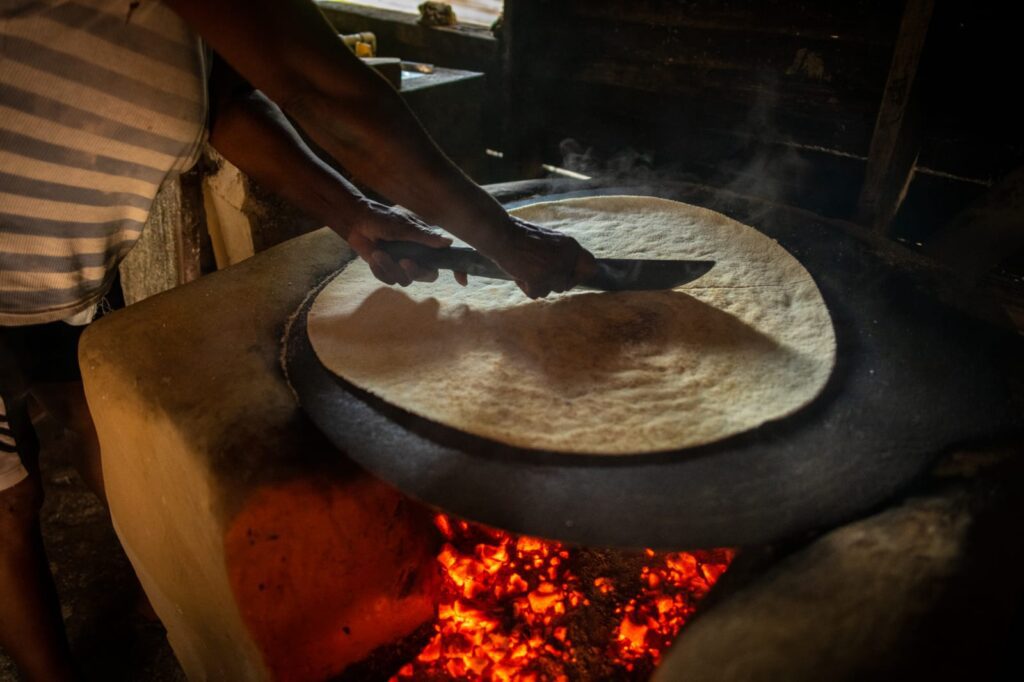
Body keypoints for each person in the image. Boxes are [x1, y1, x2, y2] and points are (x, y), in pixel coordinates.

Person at [0, 0, 594, 678]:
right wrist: (506, 240)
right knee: (10, 502)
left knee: (85, 412)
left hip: (52, 268)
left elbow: (222, 108)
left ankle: (169, 591)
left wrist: (356, 214)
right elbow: (322, 89)